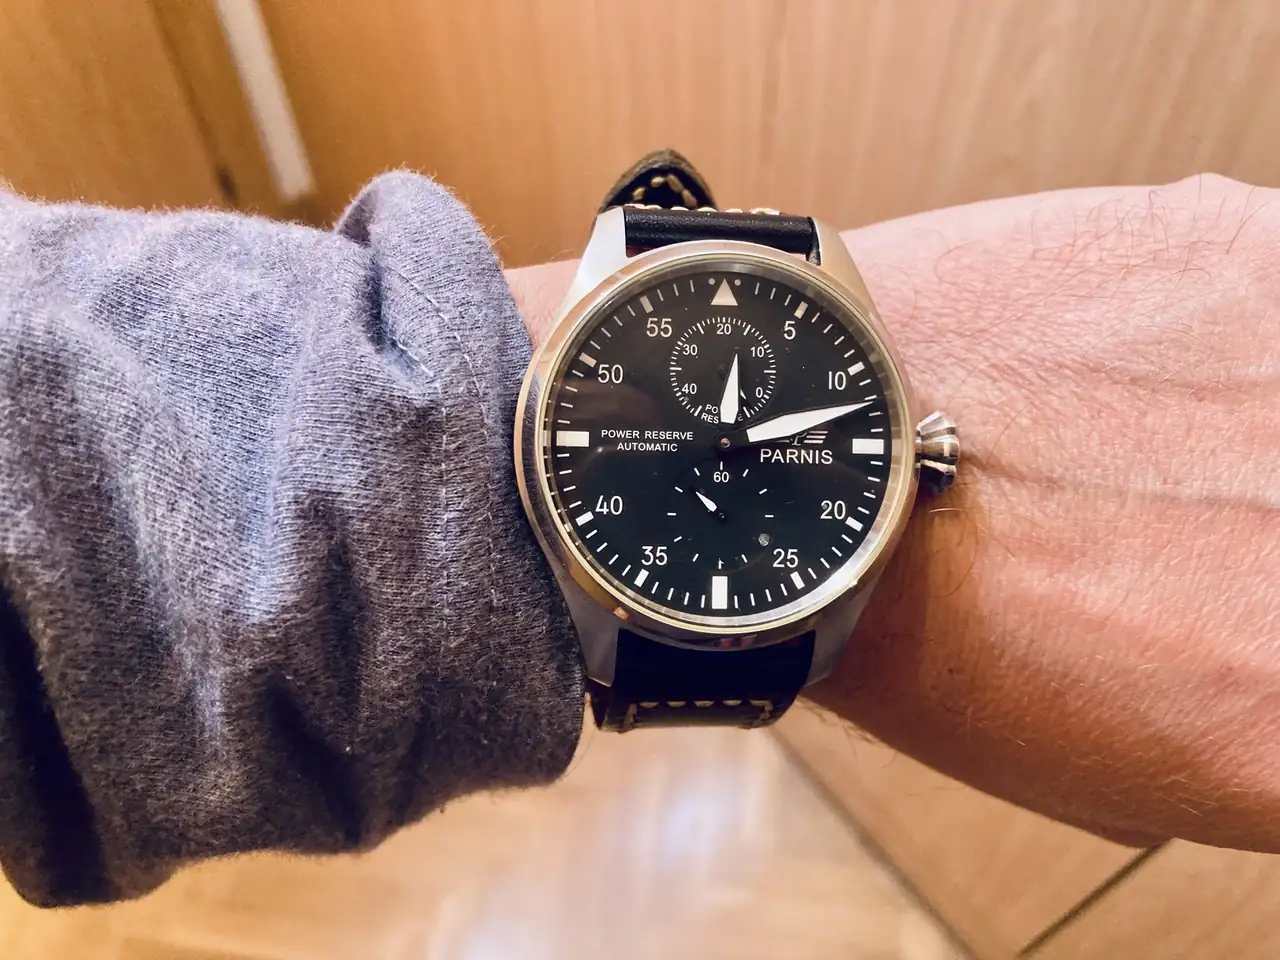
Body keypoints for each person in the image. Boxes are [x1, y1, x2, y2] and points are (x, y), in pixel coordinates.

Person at [1, 170, 1277, 908]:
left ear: (921, 452)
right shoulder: (568, 429)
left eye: (910, 449)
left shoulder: (866, 510)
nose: (726, 444)